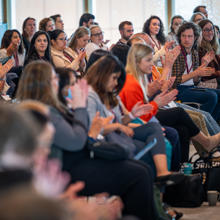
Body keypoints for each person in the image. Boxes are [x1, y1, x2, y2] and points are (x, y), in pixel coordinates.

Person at [16, 60, 159, 220]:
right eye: (54, 78)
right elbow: (76, 141)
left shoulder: (52, 108)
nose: (57, 82)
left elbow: (80, 136)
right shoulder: (43, 112)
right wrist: (80, 106)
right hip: (68, 169)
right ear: (43, 84)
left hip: (78, 160)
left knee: (141, 168)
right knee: (137, 174)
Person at [120, 43, 220, 162]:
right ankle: (207, 143)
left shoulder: (139, 77)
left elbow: (145, 99)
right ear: (136, 62)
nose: (152, 64)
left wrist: (154, 95)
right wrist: (157, 103)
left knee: (183, 129)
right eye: (148, 60)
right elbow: (141, 116)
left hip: (150, 111)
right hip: (137, 121)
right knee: (180, 113)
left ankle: (182, 167)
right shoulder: (131, 82)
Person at [172, 22, 220, 122]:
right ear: (179, 37)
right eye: (183, 36)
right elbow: (175, 81)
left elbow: (195, 81)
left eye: (190, 36)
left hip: (191, 88)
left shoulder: (194, 53)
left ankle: (212, 125)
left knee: (218, 94)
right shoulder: (177, 52)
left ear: (195, 38)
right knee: (212, 96)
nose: (186, 39)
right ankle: (200, 126)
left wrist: (204, 64)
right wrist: (197, 72)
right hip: (178, 90)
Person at [197, 19, 220, 89]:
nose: (210, 32)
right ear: (200, 33)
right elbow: (207, 73)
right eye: (206, 30)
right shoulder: (200, 49)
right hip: (205, 82)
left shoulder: (213, 47)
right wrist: (218, 72)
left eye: (211, 29)